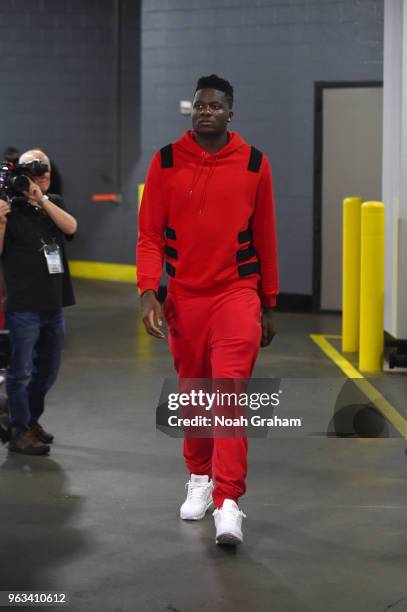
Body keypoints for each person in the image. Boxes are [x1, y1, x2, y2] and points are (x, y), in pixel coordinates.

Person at [136, 75, 278, 545]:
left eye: (215, 105)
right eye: (199, 105)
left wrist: (269, 303)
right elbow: (150, 234)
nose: (206, 111)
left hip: (237, 294)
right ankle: (199, 478)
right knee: (195, 393)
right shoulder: (166, 161)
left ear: (230, 113)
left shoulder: (255, 164)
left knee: (228, 396)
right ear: (192, 111)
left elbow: (266, 237)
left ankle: (230, 502)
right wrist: (147, 291)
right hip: (184, 298)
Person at [0, 149, 77, 455]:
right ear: (23, 175)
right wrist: (2, 221)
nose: (44, 175)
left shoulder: (53, 203)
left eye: (46, 170)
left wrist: (41, 200)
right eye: (37, 171)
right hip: (23, 307)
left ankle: (29, 420)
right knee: (20, 372)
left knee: (48, 371)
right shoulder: (10, 210)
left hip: (53, 304)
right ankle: (19, 430)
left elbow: (71, 227)